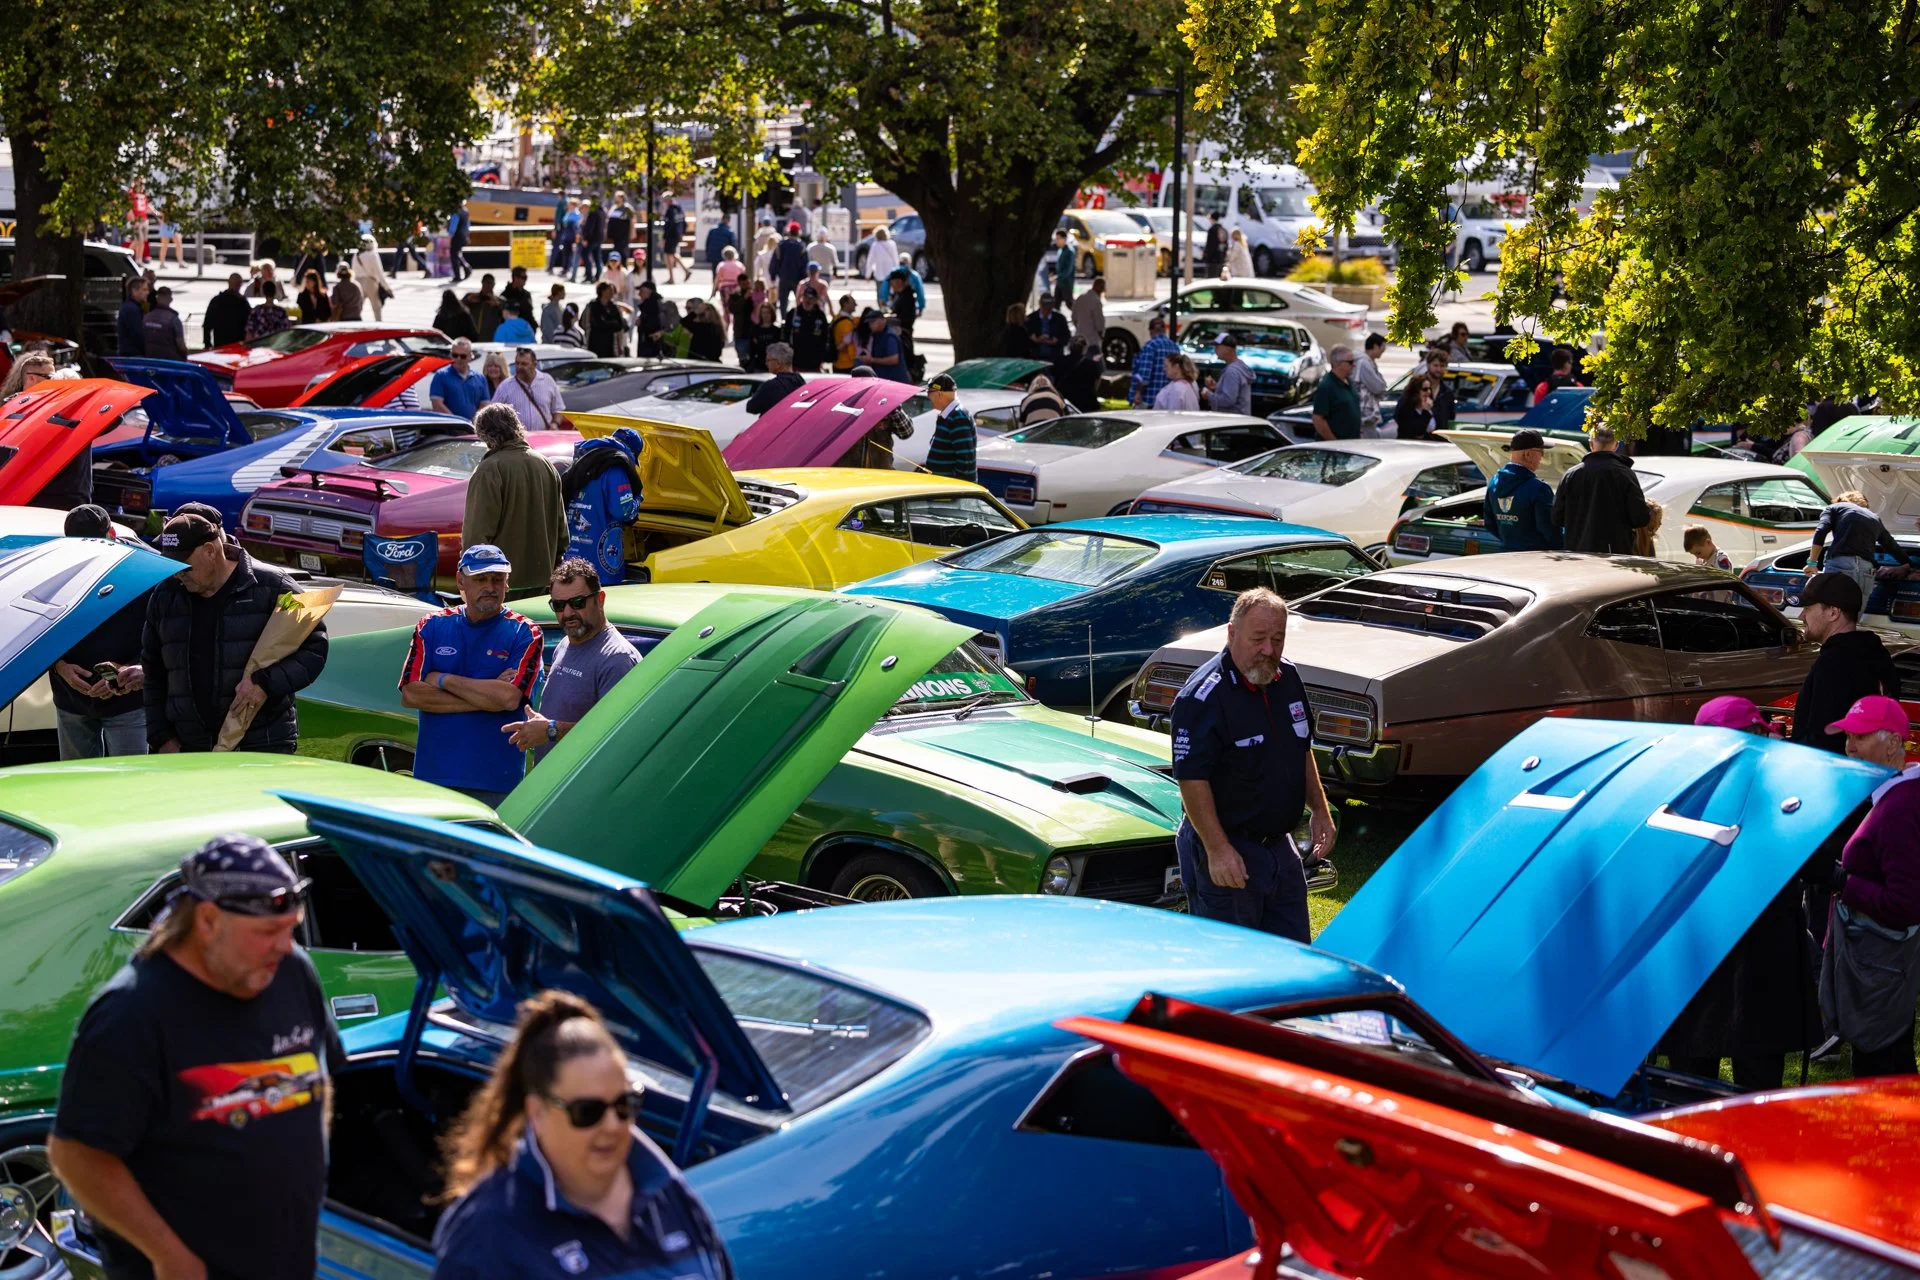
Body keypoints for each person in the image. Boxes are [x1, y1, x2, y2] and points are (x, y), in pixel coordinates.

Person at [49, 833, 344, 1280]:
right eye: (268, 932)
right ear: (207, 921)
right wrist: (169, 1255)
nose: (286, 946)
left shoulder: (290, 971)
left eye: (291, 928)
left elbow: (319, 1076)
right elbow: (76, 1156)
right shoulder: (131, 1015)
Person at [430, 991, 735, 1280]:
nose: (612, 1125)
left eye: (625, 1104)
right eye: (587, 1111)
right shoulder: (488, 1234)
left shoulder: (673, 1197)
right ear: (537, 1112)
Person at [1657, 696, 1820, 1091]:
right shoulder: (1778, 788)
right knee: (1710, 1085)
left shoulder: (1680, 792)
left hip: (1725, 954)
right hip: (1731, 955)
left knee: (1705, 1085)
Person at [1170, 587, 1336, 942]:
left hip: (1279, 846)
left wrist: (1320, 810)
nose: (1269, 650)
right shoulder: (1203, 696)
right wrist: (1217, 849)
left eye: (1278, 639)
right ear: (1232, 633)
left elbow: (1300, 748)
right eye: (1258, 639)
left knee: (1293, 953)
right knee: (1233, 959)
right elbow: (1191, 778)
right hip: (1229, 846)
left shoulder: (1287, 677)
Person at [144, 511, 327, 753]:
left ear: (210, 551)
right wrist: (161, 737)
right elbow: (153, 672)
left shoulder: (275, 586)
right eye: (172, 566)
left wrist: (265, 683)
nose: (177, 574)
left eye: (184, 566)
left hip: (262, 744)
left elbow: (315, 648)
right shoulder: (165, 595)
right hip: (187, 747)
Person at [1821, 695, 1920, 1077]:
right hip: (1882, 967)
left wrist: (1841, 880)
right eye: (1847, 736)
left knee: (1883, 1075)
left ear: (1893, 743)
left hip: (1884, 968)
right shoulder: (1895, 794)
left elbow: (1905, 904)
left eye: (1860, 737)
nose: (1849, 746)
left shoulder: (1901, 805)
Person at [399, 544, 543, 804]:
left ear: (507, 583)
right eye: (481, 579)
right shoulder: (431, 625)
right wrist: (488, 698)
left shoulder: (526, 632)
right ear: (460, 581)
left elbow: (509, 699)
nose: (490, 587)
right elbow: (411, 695)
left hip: (496, 783)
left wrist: (442, 679)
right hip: (433, 778)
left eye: (497, 579)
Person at [503, 562, 644, 762]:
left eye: (578, 603)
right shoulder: (564, 644)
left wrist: (551, 730)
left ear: (600, 600)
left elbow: (615, 734)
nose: (568, 613)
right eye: (559, 605)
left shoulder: (617, 659)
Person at [49, 505, 148, 758]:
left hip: (128, 701)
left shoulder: (146, 568)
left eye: (95, 545)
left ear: (112, 535)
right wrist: (60, 666)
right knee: (76, 779)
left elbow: (163, 634)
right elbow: (39, 627)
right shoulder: (52, 570)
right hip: (71, 699)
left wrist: (128, 670)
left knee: (129, 779)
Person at [1791, 572, 1902, 755]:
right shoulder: (1876, 653)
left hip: (1835, 768)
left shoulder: (1835, 662)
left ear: (1833, 613)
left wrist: (1779, 744)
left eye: (1808, 608)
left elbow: (1822, 741)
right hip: (1877, 764)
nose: (1802, 616)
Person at [466, 399, 567, 589]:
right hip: (543, 581)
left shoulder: (489, 469)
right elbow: (562, 532)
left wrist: (470, 577)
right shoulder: (545, 464)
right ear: (516, 426)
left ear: (484, 434)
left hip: (501, 584)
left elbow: (476, 534)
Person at [560, 430, 644, 585]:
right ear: (632, 452)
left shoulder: (581, 460)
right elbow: (623, 511)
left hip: (572, 554)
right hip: (601, 566)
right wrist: (637, 500)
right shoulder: (616, 468)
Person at [1553, 425, 1650, 553]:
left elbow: (1557, 518)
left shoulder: (1571, 474)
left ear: (1591, 444)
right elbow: (1640, 518)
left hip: (1577, 552)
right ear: (1616, 445)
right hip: (1615, 553)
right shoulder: (1625, 474)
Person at [1807, 489, 1907, 602]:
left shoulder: (1834, 508)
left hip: (1841, 564)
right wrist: (1908, 563)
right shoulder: (1874, 517)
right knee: (1856, 609)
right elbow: (1890, 545)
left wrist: (1812, 563)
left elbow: (1821, 530)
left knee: (1833, 607)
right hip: (1867, 570)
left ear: (1840, 500)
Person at [1483, 429, 1559, 551]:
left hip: (1506, 555)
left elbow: (1489, 524)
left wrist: (1511, 542)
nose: (1542, 456)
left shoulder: (1493, 483)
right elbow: (1550, 531)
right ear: (1527, 454)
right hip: (1535, 557)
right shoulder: (1538, 489)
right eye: (1541, 451)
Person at [922, 373, 978, 482]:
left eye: (929, 392)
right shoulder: (948, 415)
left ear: (939, 394)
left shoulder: (958, 417)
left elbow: (965, 461)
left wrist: (953, 487)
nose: (928, 397)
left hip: (953, 489)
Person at [1309, 345, 1362, 440]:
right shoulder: (1327, 386)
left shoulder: (1349, 381)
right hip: (1337, 446)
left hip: (1352, 442)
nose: (1354, 365)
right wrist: (1333, 442)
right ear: (1338, 364)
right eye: (1350, 362)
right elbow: (1318, 419)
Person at [430, 339, 491, 421]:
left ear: (470, 356)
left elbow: (485, 405)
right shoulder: (441, 376)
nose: (458, 359)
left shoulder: (480, 378)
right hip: (448, 427)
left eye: (463, 356)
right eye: (455, 355)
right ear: (450, 355)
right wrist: (458, 423)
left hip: (472, 427)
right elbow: (437, 405)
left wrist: (472, 422)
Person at [1130, 316, 1180, 408]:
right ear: (1164, 330)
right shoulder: (1175, 347)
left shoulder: (1150, 346)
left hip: (1149, 399)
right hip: (1168, 399)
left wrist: (1137, 393)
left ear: (1150, 330)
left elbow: (1144, 375)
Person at [744, 343, 806, 414]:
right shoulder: (801, 381)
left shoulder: (771, 386)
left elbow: (751, 407)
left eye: (768, 360)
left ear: (778, 363)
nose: (766, 363)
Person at [1207, 332, 1254, 416]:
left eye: (1217, 346)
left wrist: (1209, 395)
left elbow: (1228, 400)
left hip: (1233, 421)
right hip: (1241, 419)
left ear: (1228, 348)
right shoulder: (1239, 366)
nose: (1215, 349)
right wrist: (1216, 388)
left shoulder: (1232, 371)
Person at [857, 308, 910, 382]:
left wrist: (872, 360)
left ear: (882, 320)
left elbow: (894, 360)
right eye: (869, 323)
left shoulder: (889, 336)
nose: (870, 325)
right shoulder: (877, 335)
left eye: (872, 322)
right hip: (884, 379)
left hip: (894, 380)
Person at [786, 289, 833, 371]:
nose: (808, 300)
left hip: (814, 361)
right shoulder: (793, 313)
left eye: (811, 298)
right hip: (796, 360)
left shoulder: (820, 316)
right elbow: (786, 334)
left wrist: (822, 356)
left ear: (815, 300)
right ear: (802, 298)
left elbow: (825, 337)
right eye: (806, 297)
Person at [202, 274, 250, 349]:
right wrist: (207, 344)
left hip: (226, 344)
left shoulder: (217, 300)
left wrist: (207, 344)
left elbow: (207, 324)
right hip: (234, 345)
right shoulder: (243, 303)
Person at [1354, 333, 1389, 436]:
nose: (1383, 351)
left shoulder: (1368, 362)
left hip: (1366, 411)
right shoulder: (1364, 363)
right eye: (1382, 347)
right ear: (1375, 346)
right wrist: (1382, 387)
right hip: (1365, 411)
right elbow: (1378, 387)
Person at [352, 234, 392, 321]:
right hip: (371, 282)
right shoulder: (373, 255)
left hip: (358, 281)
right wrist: (387, 287)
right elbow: (380, 273)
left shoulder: (356, 255)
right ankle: (378, 323)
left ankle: (354, 322)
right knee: (376, 306)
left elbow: (354, 270)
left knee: (358, 306)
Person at [887, 268, 919, 377]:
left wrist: (891, 318)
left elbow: (905, 317)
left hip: (903, 332)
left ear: (899, 282)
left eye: (893, 282)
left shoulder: (907, 296)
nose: (892, 285)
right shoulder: (899, 295)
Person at [1025, 294, 1070, 370]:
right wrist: (1034, 339)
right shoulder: (1030, 319)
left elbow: (1067, 337)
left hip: (1055, 358)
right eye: (1044, 308)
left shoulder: (1060, 319)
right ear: (1040, 305)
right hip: (1035, 358)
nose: (1046, 311)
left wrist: (1057, 341)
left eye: (1049, 308)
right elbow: (1024, 338)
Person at [1058, 339, 1104, 413]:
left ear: (1069, 347)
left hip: (1066, 400)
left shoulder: (1060, 361)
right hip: (1087, 400)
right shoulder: (1091, 364)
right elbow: (1097, 380)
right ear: (1084, 348)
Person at [142, 286, 188, 361]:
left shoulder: (146, 318)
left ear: (157, 299)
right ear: (171, 299)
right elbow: (181, 345)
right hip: (170, 362)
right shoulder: (174, 319)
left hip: (150, 361)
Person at [586, 283, 627, 358]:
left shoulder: (614, 307)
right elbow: (591, 323)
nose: (612, 293)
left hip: (610, 343)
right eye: (610, 291)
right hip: (595, 342)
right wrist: (610, 324)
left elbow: (620, 325)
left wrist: (606, 323)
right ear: (603, 291)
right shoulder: (593, 305)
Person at [1424, 347, 1458, 431]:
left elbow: (1450, 419)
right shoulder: (1416, 387)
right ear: (1428, 365)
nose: (1438, 369)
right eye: (1435, 365)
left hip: (1440, 437)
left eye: (1442, 366)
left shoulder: (1448, 393)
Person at [710, 246, 745, 326]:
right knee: (736, 306)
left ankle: (726, 324)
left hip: (724, 287)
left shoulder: (721, 265)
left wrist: (713, 291)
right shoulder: (739, 265)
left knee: (725, 307)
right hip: (736, 287)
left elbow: (717, 279)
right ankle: (735, 324)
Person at [464, 274, 505, 342]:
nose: (488, 286)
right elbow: (458, 307)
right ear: (482, 283)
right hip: (474, 335)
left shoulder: (499, 300)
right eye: (486, 283)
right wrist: (467, 300)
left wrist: (498, 304)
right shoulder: (473, 297)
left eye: (490, 283)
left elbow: (509, 312)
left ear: (494, 284)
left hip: (491, 336)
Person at [1071, 275, 1106, 348]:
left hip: (1079, 337)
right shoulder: (1096, 301)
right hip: (1092, 340)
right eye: (1103, 288)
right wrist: (1101, 335)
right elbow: (1099, 323)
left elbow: (1074, 317)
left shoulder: (1080, 298)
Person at [116, 278, 148, 356]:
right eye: (144, 289)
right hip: (133, 354)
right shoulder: (131, 309)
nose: (147, 292)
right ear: (134, 291)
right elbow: (138, 333)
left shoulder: (132, 307)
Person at [579, 198, 607, 284]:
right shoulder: (602, 211)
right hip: (599, 238)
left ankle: (589, 276)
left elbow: (590, 227)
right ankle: (598, 276)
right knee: (597, 258)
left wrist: (585, 238)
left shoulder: (593, 212)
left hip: (591, 239)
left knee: (585, 255)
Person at [660, 198, 688, 283]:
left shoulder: (670, 210)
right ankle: (685, 271)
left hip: (670, 236)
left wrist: (664, 238)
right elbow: (684, 222)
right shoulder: (679, 209)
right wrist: (682, 233)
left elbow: (669, 225)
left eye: (665, 201)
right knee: (671, 254)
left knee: (668, 255)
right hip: (677, 235)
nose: (664, 203)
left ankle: (672, 277)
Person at [634, 280, 665, 356]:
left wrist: (642, 323)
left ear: (649, 291)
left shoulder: (651, 306)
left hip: (650, 347)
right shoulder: (652, 304)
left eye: (641, 291)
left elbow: (652, 325)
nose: (639, 294)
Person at [865, 225, 900, 290]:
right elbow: (895, 260)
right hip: (890, 274)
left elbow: (870, 261)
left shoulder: (875, 245)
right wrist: (897, 273)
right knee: (890, 293)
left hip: (879, 274)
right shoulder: (892, 244)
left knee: (880, 293)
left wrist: (868, 274)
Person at [1050, 229, 1077, 305]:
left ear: (1064, 239)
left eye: (1058, 239)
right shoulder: (1060, 250)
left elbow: (1068, 270)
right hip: (1059, 283)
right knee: (1056, 304)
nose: (1056, 241)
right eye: (1056, 239)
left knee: (1070, 304)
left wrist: (1057, 277)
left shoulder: (1070, 251)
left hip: (1066, 283)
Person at [607, 193, 634, 267]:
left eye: (617, 197)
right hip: (614, 235)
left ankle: (623, 267)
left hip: (623, 235)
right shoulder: (613, 208)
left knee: (622, 251)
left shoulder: (627, 208)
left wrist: (632, 232)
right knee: (616, 251)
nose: (615, 199)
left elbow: (632, 220)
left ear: (622, 198)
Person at [448, 199, 472, 283]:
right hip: (463, 235)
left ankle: (457, 275)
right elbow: (468, 224)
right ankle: (466, 268)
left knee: (454, 255)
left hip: (457, 235)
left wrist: (450, 235)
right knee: (458, 253)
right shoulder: (466, 211)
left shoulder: (456, 212)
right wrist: (467, 235)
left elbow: (452, 226)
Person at [1202, 212, 1227, 278]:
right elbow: (1225, 245)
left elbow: (1209, 246)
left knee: (1211, 278)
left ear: (1212, 219)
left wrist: (1206, 256)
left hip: (1212, 259)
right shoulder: (1223, 229)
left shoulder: (1212, 230)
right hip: (1221, 258)